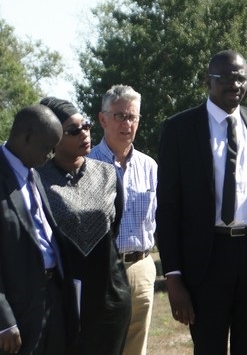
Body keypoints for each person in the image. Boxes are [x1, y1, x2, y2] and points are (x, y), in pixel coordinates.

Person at [156, 49, 247, 354]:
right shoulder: (180, 129)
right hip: (205, 262)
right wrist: (174, 278)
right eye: (227, 78)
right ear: (208, 80)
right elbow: (167, 209)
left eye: (242, 78)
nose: (236, 84)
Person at [37, 97, 132, 355]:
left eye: (87, 126)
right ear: (53, 137)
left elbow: (113, 225)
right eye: (73, 130)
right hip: (65, 301)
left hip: (110, 296)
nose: (85, 134)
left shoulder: (108, 174)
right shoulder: (37, 180)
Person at [0, 104, 79, 355]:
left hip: (52, 299)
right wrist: (3, 321)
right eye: (48, 148)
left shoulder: (33, 172)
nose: (51, 154)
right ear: (27, 137)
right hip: (17, 309)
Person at [88, 84, 157, 355]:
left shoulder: (149, 166)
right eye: (120, 116)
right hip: (101, 270)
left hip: (141, 266)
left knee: (136, 346)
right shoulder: (85, 165)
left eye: (133, 117)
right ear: (103, 119)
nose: (127, 123)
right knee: (101, 344)